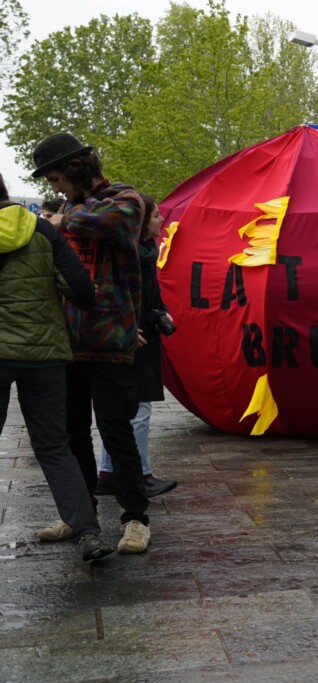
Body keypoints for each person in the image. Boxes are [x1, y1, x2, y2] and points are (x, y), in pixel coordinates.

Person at [32, 132, 151, 554]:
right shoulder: (65, 208)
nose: (55, 187)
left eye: (56, 177)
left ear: (75, 169)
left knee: (116, 432)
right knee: (72, 434)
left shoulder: (124, 198)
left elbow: (118, 226)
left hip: (109, 340)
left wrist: (65, 221)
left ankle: (135, 519)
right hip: (68, 342)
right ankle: (78, 516)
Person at [0, 173, 113, 561]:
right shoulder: (42, 231)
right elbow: (81, 289)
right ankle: (88, 533)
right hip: (45, 355)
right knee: (53, 447)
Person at [96, 195, 177, 498]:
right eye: (157, 216)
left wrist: (161, 309)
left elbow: (148, 294)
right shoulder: (131, 256)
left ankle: (108, 472)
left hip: (140, 332)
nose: (161, 221)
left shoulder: (146, 252)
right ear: (143, 224)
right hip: (134, 338)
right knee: (138, 408)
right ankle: (140, 474)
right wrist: (128, 326)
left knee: (122, 409)